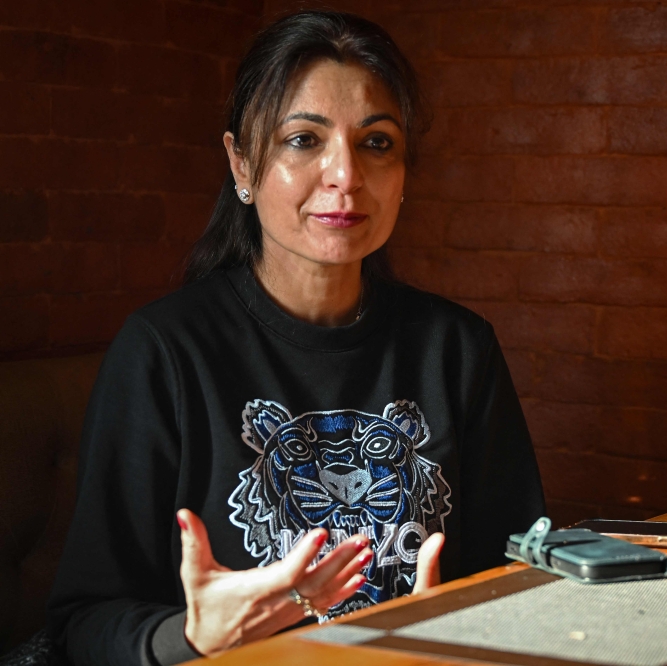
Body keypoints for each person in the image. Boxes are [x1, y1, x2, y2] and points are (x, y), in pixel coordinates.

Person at [46, 11, 545, 666]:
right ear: (242, 163)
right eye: (304, 140)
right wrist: (193, 638)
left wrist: (456, 624)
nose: (346, 176)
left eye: (376, 143)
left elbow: (522, 574)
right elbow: (82, 622)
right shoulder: (165, 353)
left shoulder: (456, 349)